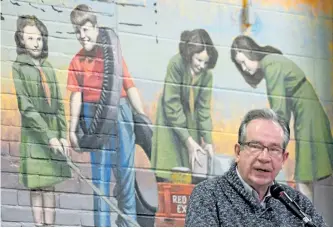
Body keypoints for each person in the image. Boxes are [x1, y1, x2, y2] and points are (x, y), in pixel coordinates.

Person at [67, 4, 146, 227]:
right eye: (78, 31)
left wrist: (142, 117)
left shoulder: (112, 55)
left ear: (95, 28)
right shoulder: (76, 61)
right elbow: (75, 97)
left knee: (125, 175)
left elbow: (129, 86)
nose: (83, 35)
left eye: (86, 29)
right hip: (94, 119)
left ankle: (127, 223)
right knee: (100, 179)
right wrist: (72, 128)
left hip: (121, 113)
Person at [230, 35, 333, 201]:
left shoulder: (271, 65)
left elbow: (278, 111)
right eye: (239, 64)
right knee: (306, 174)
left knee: (304, 175)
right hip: (308, 114)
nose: (244, 68)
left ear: (250, 52)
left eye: (243, 61)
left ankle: (302, 219)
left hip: (308, 116)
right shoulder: (273, 62)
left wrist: (270, 140)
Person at [185, 108, 327, 227]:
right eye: (255, 146)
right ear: (238, 152)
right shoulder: (208, 195)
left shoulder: (296, 202)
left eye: (274, 149)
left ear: (283, 159)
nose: (264, 157)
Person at [12, 15, 71, 226]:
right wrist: (49, 137)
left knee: (50, 186)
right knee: (37, 186)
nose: (36, 43)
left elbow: (59, 106)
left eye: (39, 38)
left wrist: (62, 136)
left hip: (54, 133)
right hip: (35, 136)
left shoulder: (49, 68)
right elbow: (26, 108)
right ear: (21, 41)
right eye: (30, 39)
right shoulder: (18, 68)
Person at [151, 29, 218, 182]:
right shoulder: (176, 64)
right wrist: (188, 141)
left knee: (191, 175)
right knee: (169, 174)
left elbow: (203, 109)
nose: (202, 65)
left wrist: (207, 140)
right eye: (198, 60)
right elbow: (171, 103)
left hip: (189, 121)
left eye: (205, 62)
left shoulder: (207, 76)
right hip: (169, 121)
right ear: (189, 54)